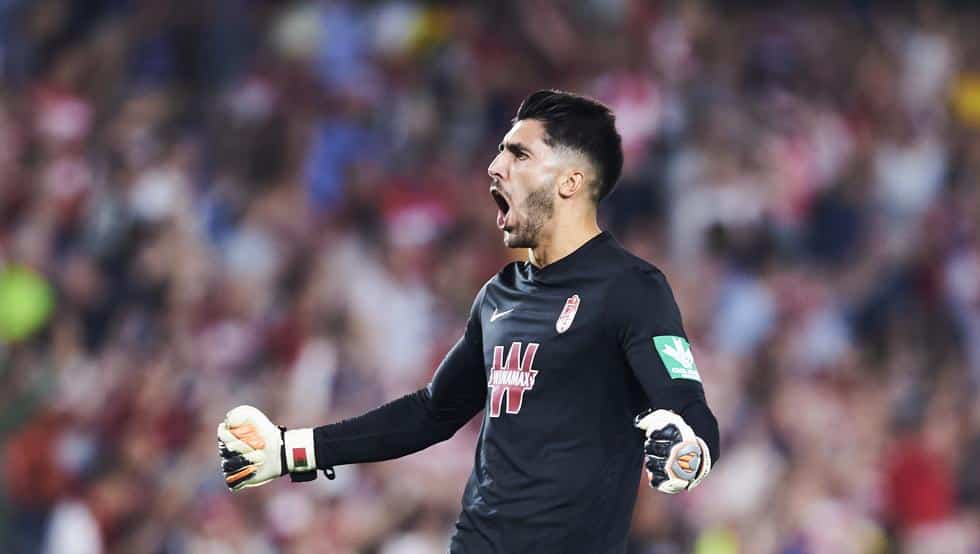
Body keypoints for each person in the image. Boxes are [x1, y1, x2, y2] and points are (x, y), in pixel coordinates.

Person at [217, 90, 720, 553]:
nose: (495, 166)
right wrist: (291, 449)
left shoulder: (631, 288)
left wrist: (688, 454)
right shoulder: (498, 295)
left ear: (571, 181)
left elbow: (689, 411)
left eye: (520, 154)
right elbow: (432, 412)